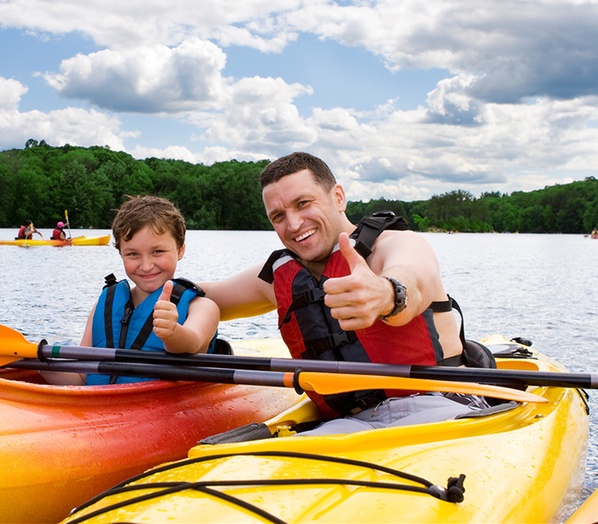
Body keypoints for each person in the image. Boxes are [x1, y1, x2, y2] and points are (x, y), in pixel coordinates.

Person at [201, 152, 491, 435]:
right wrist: (159, 269)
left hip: (438, 405)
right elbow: (204, 296)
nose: (293, 224)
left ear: (338, 197)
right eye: (278, 216)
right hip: (348, 424)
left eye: (303, 203)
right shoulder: (274, 277)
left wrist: (386, 294)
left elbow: (413, 280)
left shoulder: (395, 245)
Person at [47, 195, 221, 385]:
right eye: (133, 254)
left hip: (164, 409)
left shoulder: (203, 308)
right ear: (121, 253)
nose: (146, 266)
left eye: (158, 252)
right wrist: (40, 362)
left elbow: (192, 342)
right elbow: (81, 376)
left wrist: (172, 333)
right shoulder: (104, 304)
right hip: (100, 407)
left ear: (180, 250)